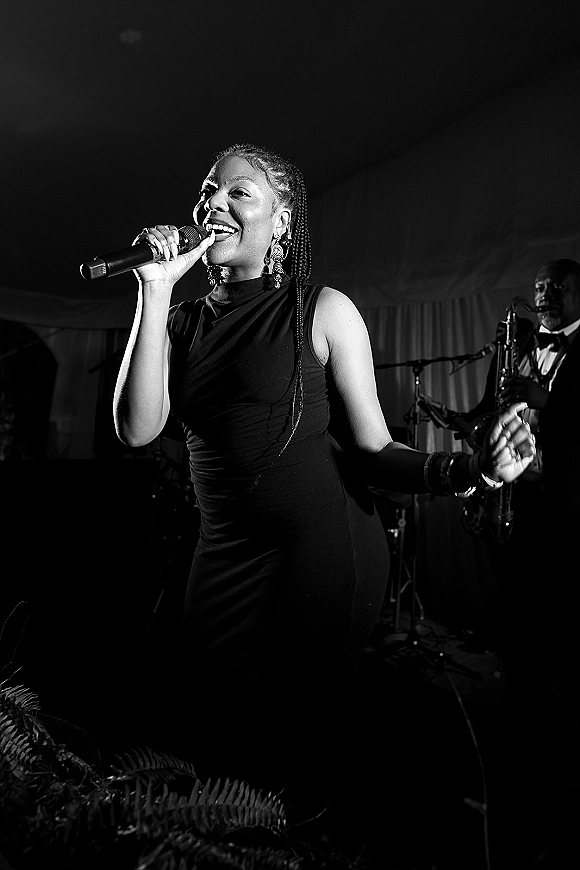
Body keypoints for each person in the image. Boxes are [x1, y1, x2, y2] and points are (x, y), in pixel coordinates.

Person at [112, 143, 534, 815]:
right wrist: (155, 289)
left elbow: (374, 449)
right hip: (222, 554)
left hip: (320, 555)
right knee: (211, 729)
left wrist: (469, 470)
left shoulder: (322, 310)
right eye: (205, 193)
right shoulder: (180, 321)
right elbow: (136, 429)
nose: (212, 205)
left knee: (287, 747)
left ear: (282, 221)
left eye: (238, 194)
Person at [450, 259, 580, 867]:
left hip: (568, 514)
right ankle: (519, 755)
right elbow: (496, 407)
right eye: (537, 289)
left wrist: (545, 400)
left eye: (556, 286)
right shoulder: (523, 348)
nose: (545, 296)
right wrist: (473, 423)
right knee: (523, 628)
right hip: (521, 506)